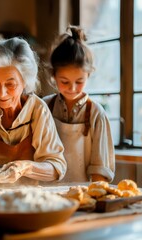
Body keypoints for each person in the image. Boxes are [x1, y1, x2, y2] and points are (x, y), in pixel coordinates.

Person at [0, 37, 67, 184]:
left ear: (25, 82)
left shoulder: (37, 110)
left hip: (26, 200)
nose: (1, 93)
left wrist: (25, 167)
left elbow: (57, 167)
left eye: (10, 84)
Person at [43, 25, 115, 182]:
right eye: (64, 81)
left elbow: (100, 169)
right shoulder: (44, 107)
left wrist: (95, 198)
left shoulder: (96, 112)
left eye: (79, 81)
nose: (72, 88)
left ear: (88, 75)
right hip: (46, 194)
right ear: (53, 75)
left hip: (82, 195)